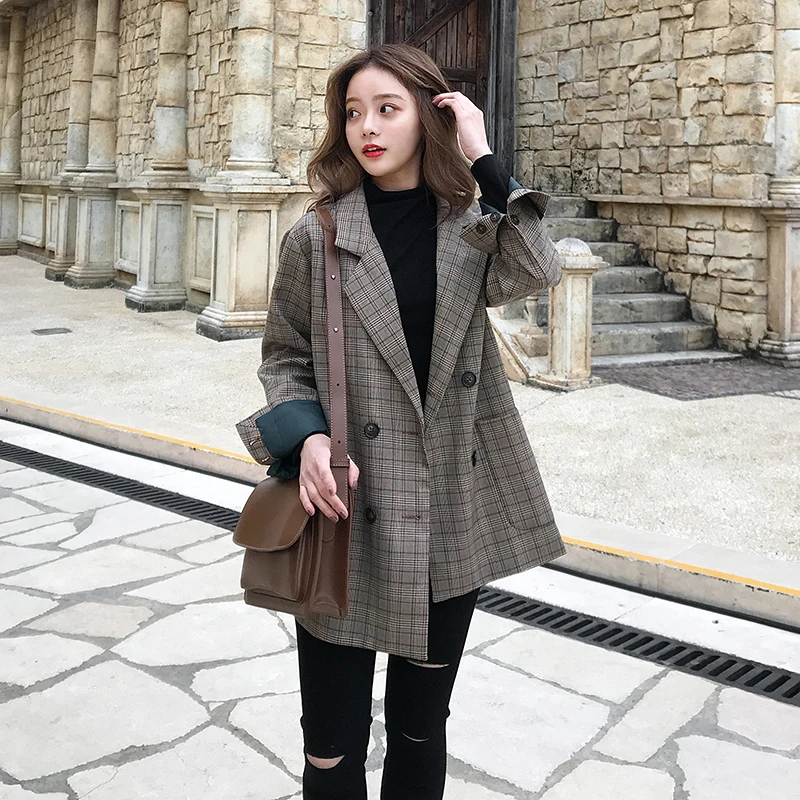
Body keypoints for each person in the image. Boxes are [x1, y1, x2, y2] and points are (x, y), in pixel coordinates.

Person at [236, 43, 566, 800]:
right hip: (347, 510)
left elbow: (539, 270)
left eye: (388, 109)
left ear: (428, 117)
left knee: (421, 729)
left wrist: (482, 155)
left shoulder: (469, 227)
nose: (367, 128)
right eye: (354, 112)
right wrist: (307, 438)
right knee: (331, 747)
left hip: (448, 507)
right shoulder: (317, 234)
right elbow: (284, 356)